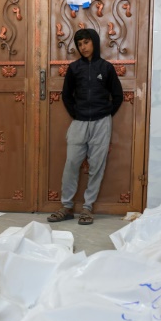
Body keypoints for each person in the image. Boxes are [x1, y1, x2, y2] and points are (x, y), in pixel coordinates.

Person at [47, 28, 123, 225]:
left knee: (97, 166)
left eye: (86, 42)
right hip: (79, 123)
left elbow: (118, 96)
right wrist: (76, 114)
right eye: (80, 44)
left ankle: (88, 208)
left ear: (94, 43)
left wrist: (105, 113)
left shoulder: (106, 68)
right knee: (71, 164)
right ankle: (66, 206)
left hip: (101, 123)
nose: (83, 47)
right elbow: (66, 95)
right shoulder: (74, 68)